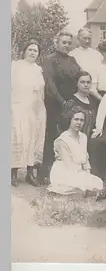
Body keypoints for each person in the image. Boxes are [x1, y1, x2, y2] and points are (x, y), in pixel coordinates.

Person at [41, 30, 82, 184]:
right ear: (56, 43)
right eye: (63, 42)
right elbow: (50, 85)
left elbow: (80, 76)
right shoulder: (49, 60)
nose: (66, 45)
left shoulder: (72, 60)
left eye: (69, 43)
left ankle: (68, 172)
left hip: (71, 104)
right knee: (52, 137)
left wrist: (74, 100)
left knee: (69, 137)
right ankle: (46, 173)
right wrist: (62, 101)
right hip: (54, 104)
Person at [11, 39, 46, 187]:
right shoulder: (15, 66)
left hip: (35, 107)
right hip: (18, 106)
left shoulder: (38, 69)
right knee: (17, 137)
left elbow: (41, 90)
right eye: (30, 49)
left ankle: (30, 173)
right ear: (24, 51)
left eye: (35, 51)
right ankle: (13, 172)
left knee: (33, 137)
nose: (33, 53)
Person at [47, 106, 103, 195]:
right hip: (64, 172)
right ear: (70, 120)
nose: (79, 123)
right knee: (79, 185)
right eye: (76, 119)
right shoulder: (62, 140)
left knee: (98, 183)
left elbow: (85, 160)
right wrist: (82, 178)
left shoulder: (83, 137)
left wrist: (88, 175)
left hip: (79, 171)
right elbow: (69, 166)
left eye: (82, 120)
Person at [60, 71, 99, 139]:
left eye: (88, 82)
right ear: (77, 84)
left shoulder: (93, 101)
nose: (86, 85)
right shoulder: (71, 102)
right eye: (82, 82)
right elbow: (64, 126)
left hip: (92, 137)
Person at [68, 28, 103, 101]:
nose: (87, 41)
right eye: (84, 38)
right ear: (78, 38)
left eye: (89, 38)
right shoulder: (72, 55)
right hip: (80, 93)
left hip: (97, 92)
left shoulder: (97, 55)